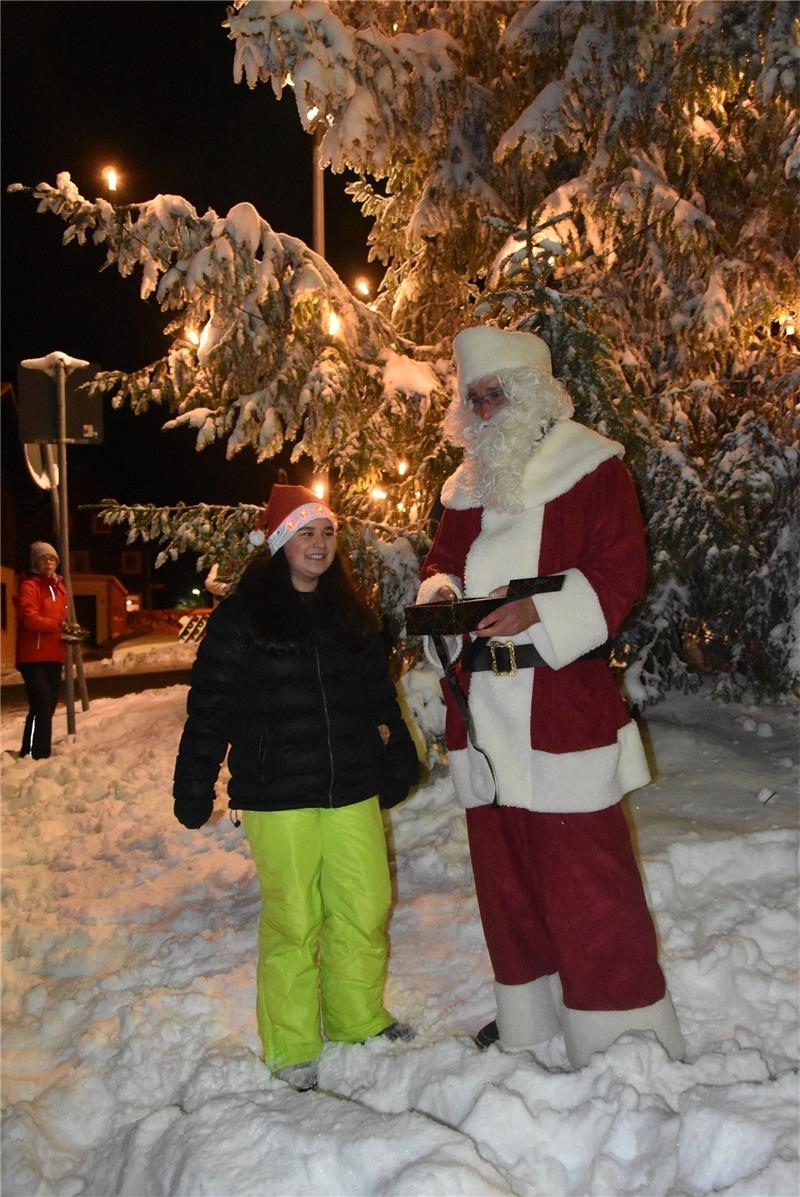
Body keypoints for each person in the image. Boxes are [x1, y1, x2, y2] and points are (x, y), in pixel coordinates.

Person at [415, 325, 685, 1069]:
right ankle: (531, 1023)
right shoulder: (466, 485)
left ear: (531, 389)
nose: (482, 410)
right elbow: (441, 563)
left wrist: (540, 609)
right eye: (472, 399)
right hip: (485, 714)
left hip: (561, 703)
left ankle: (621, 1032)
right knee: (508, 880)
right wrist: (439, 594)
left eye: (493, 393)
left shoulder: (591, 467)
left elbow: (619, 568)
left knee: (588, 879)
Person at [173, 484, 420, 1091]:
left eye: (328, 532)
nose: (320, 544)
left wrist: (398, 750)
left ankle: (357, 1017)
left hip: (350, 788)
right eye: (306, 532)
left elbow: (376, 696)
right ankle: (290, 1045)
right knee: (294, 919)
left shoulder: (349, 615)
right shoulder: (243, 616)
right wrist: (195, 776)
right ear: (281, 541)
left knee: (364, 906)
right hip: (277, 792)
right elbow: (211, 705)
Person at [14, 541, 67, 760]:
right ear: (36, 561)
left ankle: (30, 749)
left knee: (46, 706)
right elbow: (29, 618)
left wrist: (69, 631)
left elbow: (62, 618)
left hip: (54, 654)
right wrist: (57, 626)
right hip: (32, 656)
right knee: (42, 704)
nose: (50, 562)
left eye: (53, 558)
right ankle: (38, 753)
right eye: (45, 558)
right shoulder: (29, 585)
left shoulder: (59, 587)